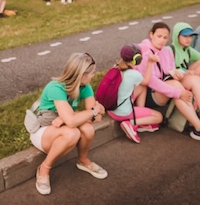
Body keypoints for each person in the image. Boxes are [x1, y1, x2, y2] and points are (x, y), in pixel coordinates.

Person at [137, 22, 200, 146]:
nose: (162, 41)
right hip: (149, 94)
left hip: (165, 87)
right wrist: (179, 92)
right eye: (159, 36)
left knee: (194, 79)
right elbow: (151, 81)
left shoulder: (166, 51)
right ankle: (199, 129)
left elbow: (168, 70)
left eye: (165, 38)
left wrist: (178, 72)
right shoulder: (144, 51)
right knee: (176, 86)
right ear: (151, 34)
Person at [31, 53, 108, 196]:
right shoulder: (56, 88)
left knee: (87, 129)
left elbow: (95, 118)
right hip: (43, 131)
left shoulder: (86, 87)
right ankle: (44, 169)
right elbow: (76, 120)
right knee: (73, 132)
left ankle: (83, 161)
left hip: (62, 126)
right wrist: (95, 110)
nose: (93, 75)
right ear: (82, 76)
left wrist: (95, 111)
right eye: (92, 73)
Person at [106, 44, 163, 144]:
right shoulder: (134, 75)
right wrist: (150, 63)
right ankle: (131, 123)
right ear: (137, 60)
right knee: (159, 117)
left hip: (111, 108)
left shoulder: (114, 68)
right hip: (123, 113)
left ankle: (139, 119)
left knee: (141, 87)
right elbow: (146, 81)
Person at [170, 22, 200, 88]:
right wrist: (186, 71)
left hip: (185, 76)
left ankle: (194, 92)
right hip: (174, 80)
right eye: (185, 36)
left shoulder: (188, 50)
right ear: (177, 35)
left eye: (190, 36)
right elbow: (168, 70)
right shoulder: (170, 49)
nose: (188, 39)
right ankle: (194, 91)